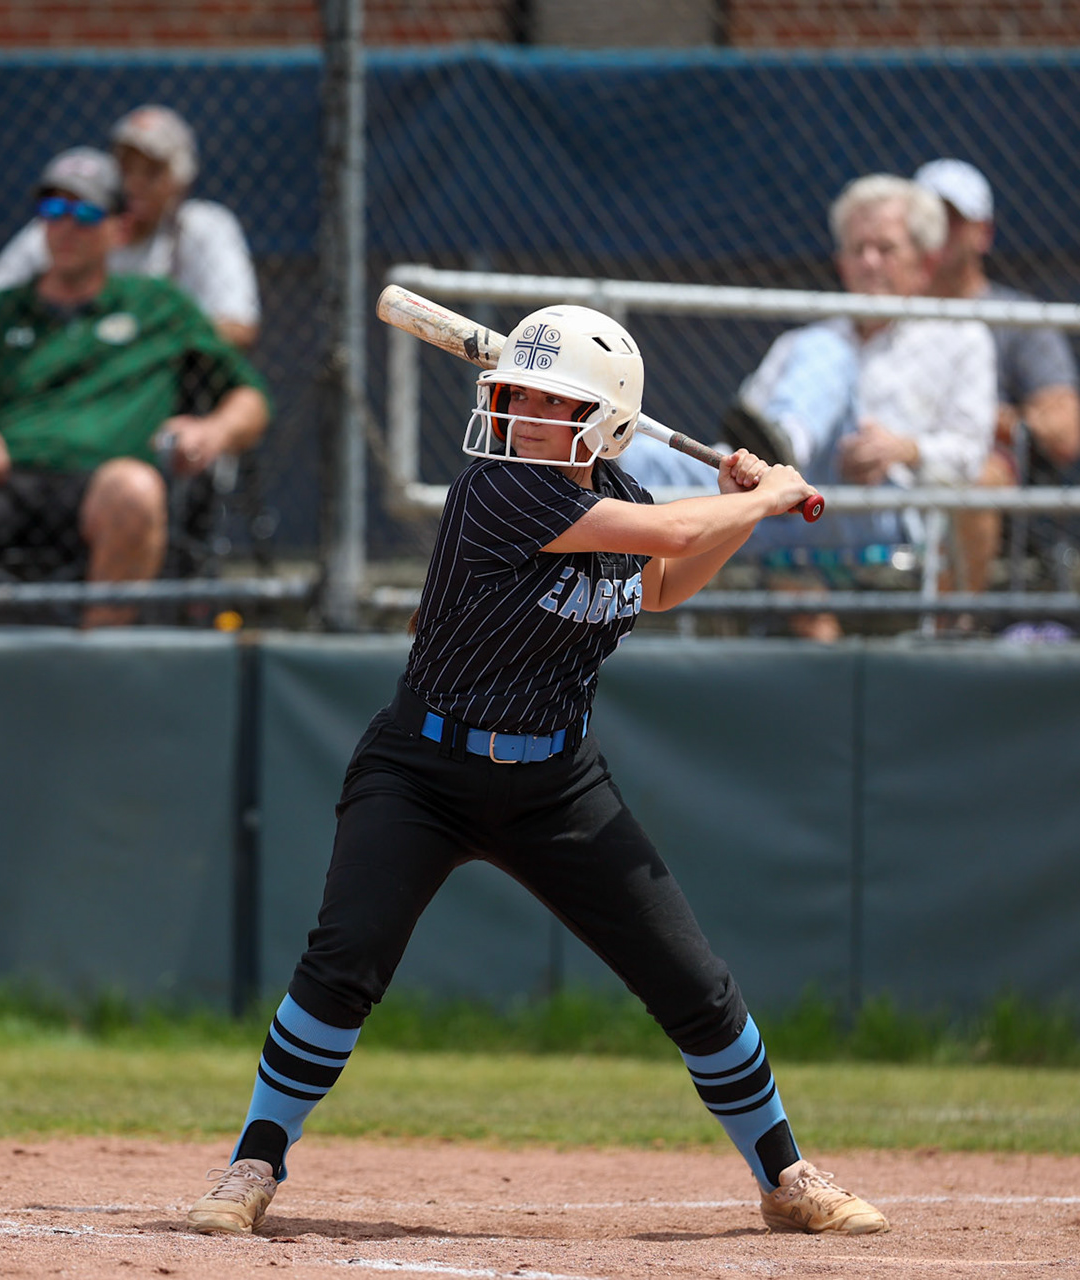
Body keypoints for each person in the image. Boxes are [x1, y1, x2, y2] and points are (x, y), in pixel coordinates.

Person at [184, 303, 889, 1241]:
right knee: (343, 962)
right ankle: (254, 1163)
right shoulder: (496, 489)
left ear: (601, 424)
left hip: (557, 784)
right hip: (423, 772)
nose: (513, 408)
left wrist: (738, 510)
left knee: (695, 984)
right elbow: (679, 539)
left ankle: (783, 1174)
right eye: (511, 391)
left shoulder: (627, 502)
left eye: (541, 400)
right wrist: (759, 497)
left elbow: (670, 577)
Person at [0, 148, 270, 630]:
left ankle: (95, 674)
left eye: (85, 212)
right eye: (53, 211)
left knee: (135, 490)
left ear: (118, 229)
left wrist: (215, 432)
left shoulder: (160, 306)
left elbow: (250, 399)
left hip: (98, 489)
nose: (65, 227)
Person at [738, 173, 996, 637]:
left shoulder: (963, 339)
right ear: (840, 263)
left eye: (885, 248)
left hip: (890, 515)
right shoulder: (802, 344)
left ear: (926, 261)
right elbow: (743, 435)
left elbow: (971, 455)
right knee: (822, 355)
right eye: (857, 250)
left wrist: (903, 451)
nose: (869, 262)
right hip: (789, 513)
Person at [914, 158, 1080, 593]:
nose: (942, 231)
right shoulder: (875, 312)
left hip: (974, 478)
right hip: (891, 466)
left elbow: (1065, 434)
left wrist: (972, 418)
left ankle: (951, 634)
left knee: (979, 474)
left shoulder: (1020, 320)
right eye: (930, 219)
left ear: (983, 233)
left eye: (955, 219)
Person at [0, 105, 260, 351]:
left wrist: (137, 347)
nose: (134, 183)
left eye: (151, 172)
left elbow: (238, 326)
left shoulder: (202, 227)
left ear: (180, 180)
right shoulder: (65, 223)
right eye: (125, 168)